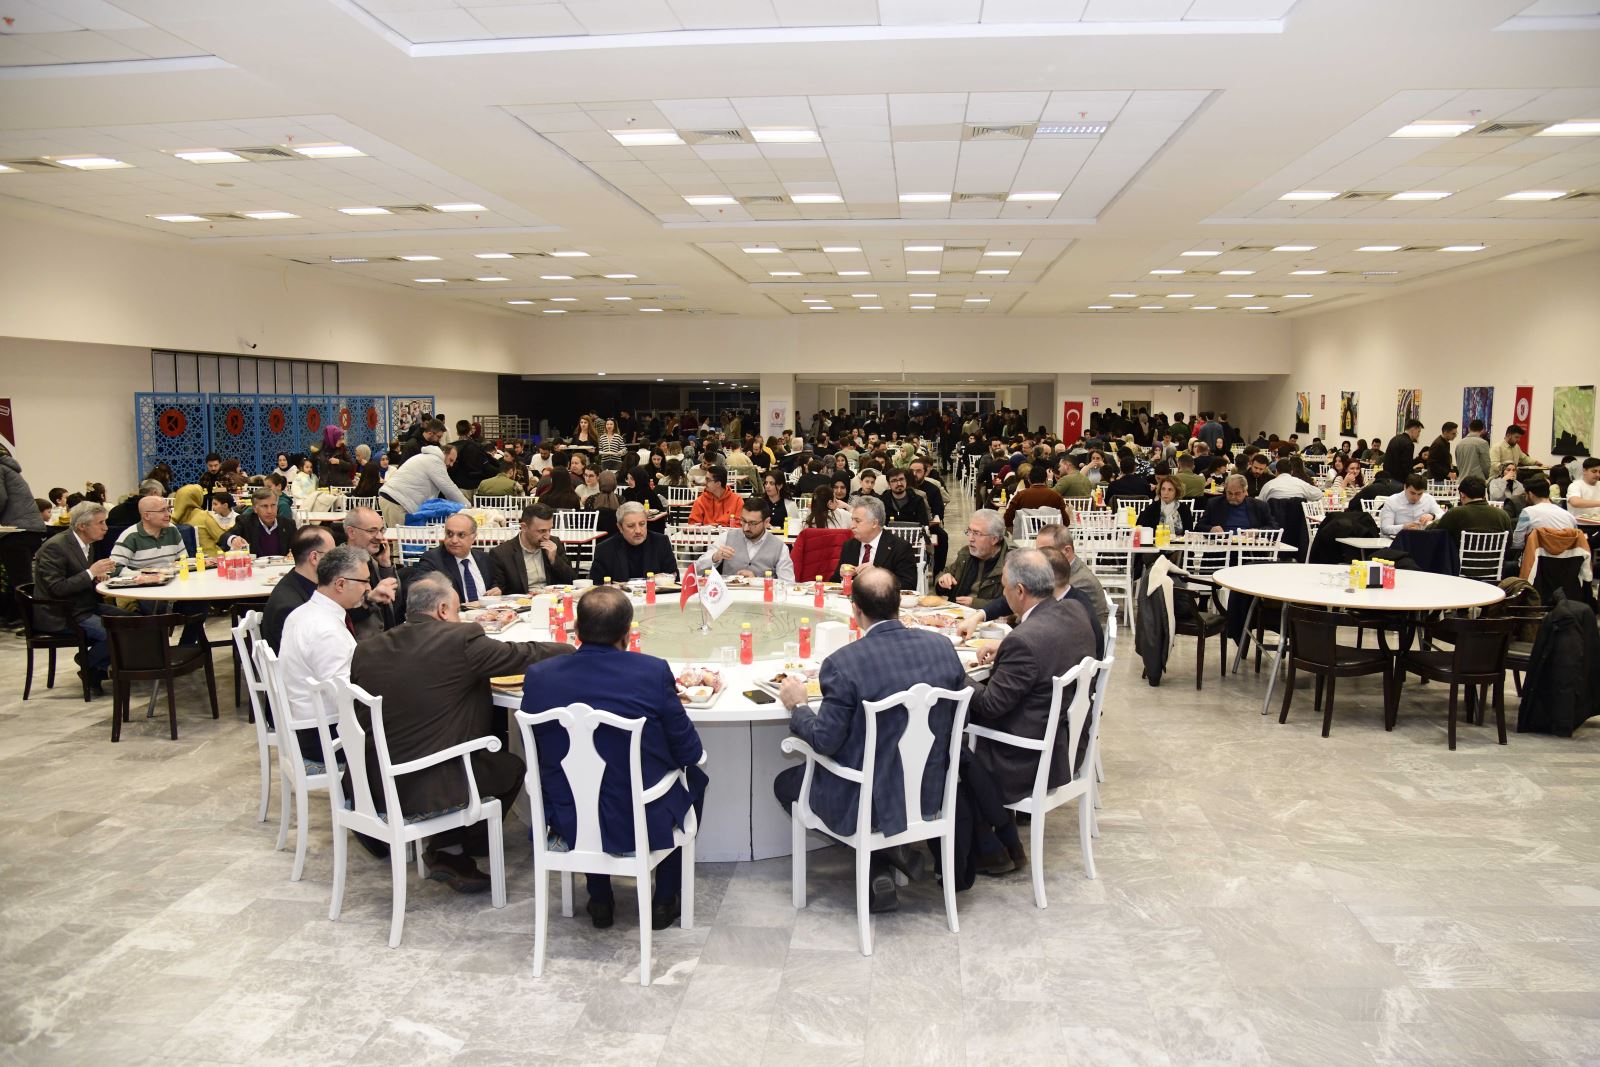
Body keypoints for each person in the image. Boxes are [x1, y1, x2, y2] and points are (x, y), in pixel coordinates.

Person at [349, 575, 570, 890]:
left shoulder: (367, 649)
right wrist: (573, 649)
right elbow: (523, 654)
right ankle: (454, 849)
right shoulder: (460, 640)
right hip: (422, 787)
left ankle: (450, 843)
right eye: (455, 611)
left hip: (369, 780)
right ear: (442, 610)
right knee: (509, 767)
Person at [773, 567, 967, 912]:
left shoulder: (844, 664)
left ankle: (883, 850)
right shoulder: (941, 648)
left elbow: (824, 741)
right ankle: (887, 855)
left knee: (787, 784)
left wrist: (798, 706)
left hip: (868, 798)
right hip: (930, 790)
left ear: (855, 610)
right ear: (898, 603)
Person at [521, 586, 704, 927]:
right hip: (638, 820)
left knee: (584, 786)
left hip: (567, 819)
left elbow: (538, 749)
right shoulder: (651, 672)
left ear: (577, 629)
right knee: (694, 777)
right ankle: (664, 899)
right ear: (627, 633)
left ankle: (600, 897)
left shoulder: (539, 676)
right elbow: (690, 751)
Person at [963, 549, 1099, 874]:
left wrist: (956, 674)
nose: (1003, 593)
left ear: (1021, 590)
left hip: (1028, 758)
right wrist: (1005, 650)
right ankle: (999, 837)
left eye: (1005, 587)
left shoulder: (1024, 640)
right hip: (1070, 744)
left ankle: (989, 845)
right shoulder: (1075, 611)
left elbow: (990, 705)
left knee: (951, 741)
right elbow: (1046, 652)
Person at [276, 544, 371, 764]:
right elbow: (344, 699)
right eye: (364, 581)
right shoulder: (326, 631)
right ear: (340, 584)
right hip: (325, 737)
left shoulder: (303, 612)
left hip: (312, 724)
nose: (368, 588)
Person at [31, 501, 124, 695]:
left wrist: (97, 577)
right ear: (82, 526)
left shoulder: (87, 544)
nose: (106, 528)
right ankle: (89, 664)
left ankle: (93, 668)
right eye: (100, 523)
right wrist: (90, 573)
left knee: (134, 622)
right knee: (116, 632)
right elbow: (57, 588)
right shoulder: (55, 547)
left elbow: (79, 577)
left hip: (84, 605)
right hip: (61, 613)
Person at [261, 526, 335, 651]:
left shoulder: (295, 581)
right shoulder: (293, 608)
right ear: (314, 557)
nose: (337, 560)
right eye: (332, 554)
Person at [830, 495, 918, 590]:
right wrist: (841, 575)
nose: (852, 526)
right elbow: (833, 583)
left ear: (874, 523)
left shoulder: (900, 547)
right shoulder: (849, 546)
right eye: (852, 520)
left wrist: (878, 576)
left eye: (857, 521)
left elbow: (909, 585)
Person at [337, 507, 401, 637]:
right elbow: (341, 614)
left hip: (386, 639)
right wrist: (369, 599)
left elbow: (397, 602)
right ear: (351, 532)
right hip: (358, 643)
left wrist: (385, 565)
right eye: (372, 531)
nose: (380, 537)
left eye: (381, 530)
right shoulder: (337, 565)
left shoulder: (373, 560)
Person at [695, 501, 795, 581]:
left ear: (766, 522)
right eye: (743, 521)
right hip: (729, 596)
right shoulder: (726, 537)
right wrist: (714, 557)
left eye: (752, 523)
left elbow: (788, 584)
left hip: (762, 598)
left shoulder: (780, 547)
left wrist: (757, 581)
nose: (746, 528)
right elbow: (697, 569)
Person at [413, 512, 501, 603]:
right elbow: (420, 594)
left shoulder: (484, 558)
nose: (454, 540)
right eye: (450, 534)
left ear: (473, 537)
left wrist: (496, 590)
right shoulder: (433, 560)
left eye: (461, 535)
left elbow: (495, 584)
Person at [489, 501, 577, 591]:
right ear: (524, 527)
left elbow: (572, 581)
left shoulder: (554, 544)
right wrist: (497, 590)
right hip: (523, 598)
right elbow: (499, 587)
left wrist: (554, 560)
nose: (547, 536)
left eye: (550, 530)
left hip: (553, 597)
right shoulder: (502, 553)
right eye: (542, 531)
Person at [378, 442, 467, 528]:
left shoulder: (428, 457)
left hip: (394, 499)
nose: (451, 464)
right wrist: (467, 508)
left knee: (404, 536)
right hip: (396, 501)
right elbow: (449, 488)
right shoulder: (435, 460)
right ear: (444, 453)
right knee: (400, 536)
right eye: (451, 460)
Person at [589, 501, 678, 584]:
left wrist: (661, 579)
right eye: (631, 526)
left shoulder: (661, 542)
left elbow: (674, 577)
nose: (638, 531)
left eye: (642, 524)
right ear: (620, 527)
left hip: (654, 594)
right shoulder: (604, 549)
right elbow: (596, 586)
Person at [935, 508, 1009, 606]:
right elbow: (945, 573)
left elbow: (1012, 605)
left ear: (994, 539)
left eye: (977, 534)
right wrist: (942, 580)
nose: (971, 538)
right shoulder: (966, 554)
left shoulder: (1010, 564)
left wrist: (975, 604)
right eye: (969, 531)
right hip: (957, 611)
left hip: (986, 614)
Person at [1434, 476, 1514, 536]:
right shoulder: (1502, 515)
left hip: (1460, 553)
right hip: (1495, 554)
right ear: (1484, 494)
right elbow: (1509, 541)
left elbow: (1433, 530)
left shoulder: (1456, 513)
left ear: (1462, 494)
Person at [1511, 479, 1577, 550]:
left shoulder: (1527, 512)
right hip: (1567, 555)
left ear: (1530, 494)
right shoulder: (1569, 516)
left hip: (1537, 555)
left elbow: (1517, 544)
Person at [227, 490, 296, 557]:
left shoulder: (288, 524)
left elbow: (298, 546)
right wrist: (233, 539)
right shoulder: (245, 522)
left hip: (283, 564)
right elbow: (225, 537)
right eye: (264, 506)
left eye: (273, 505)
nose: (270, 511)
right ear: (255, 509)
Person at [1002, 465, 1068, 531]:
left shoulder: (1020, 495)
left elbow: (1007, 518)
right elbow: (1066, 522)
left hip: (1024, 534)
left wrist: (1013, 531)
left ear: (1029, 480)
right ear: (1045, 480)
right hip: (1050, 534)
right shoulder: (1056, 496)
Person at [1201, 475, 1272, 532]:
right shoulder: (1214, 504)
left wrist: (1257, 531)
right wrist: (1211, 529)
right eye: (1229, 493)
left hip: (1249, 543)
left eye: (1237, 494)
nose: (1233, 497)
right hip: (1222, 542)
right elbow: (1199, 526)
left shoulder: (1259, 506)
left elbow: (1273, 526)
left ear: (1245, 492)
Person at [1378, 474, 1443, 535]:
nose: (1415, 497)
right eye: (1412, 493)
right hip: (1399, 539)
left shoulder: (1428, 498)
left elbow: (1443, 516)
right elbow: (1385, 528)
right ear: (1405, 487)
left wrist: (1433, 516)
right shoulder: (1392, 501)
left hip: (1423, 537)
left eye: (1420, 494)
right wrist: (1403, 527)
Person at [1258, 456, 1323, 502]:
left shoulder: (1269, 485)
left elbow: (1260, 502)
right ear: (1291, 472)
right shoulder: (1301, 484)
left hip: (1274, 517)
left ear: (1276, 471)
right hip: (1297, 517)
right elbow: (1319, 494)